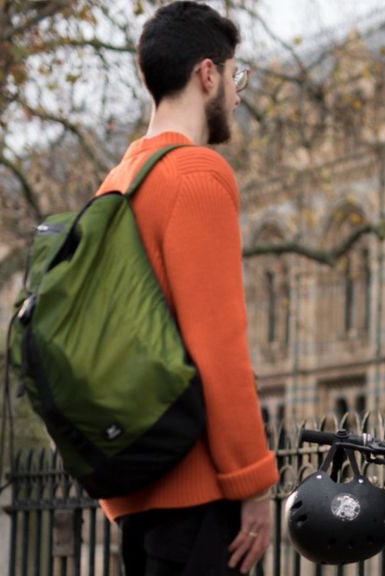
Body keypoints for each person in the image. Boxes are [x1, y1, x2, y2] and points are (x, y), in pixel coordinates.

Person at [94, 2, 276, 574]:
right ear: (207, 74)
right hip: (195, 495)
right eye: (235, 76)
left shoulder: (118, 181)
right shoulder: (197, 174)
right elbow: (218, 347)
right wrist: (253, 483)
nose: (237, 95)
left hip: (133, 488)